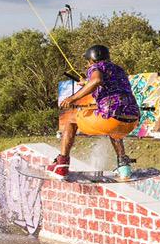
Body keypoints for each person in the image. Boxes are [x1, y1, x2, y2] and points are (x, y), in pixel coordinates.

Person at [48, 45, 140, 181]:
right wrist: (86, 82)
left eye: (87, 61)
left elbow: (97, 80)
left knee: (71, 119)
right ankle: (124, 166)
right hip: (132, 120)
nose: (87, 64)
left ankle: (62, 164)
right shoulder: (119, 70)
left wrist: (72, 98)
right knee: (114, 125)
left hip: (111, 119)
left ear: (91, 60)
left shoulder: (95, 67)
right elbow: (109, 85)